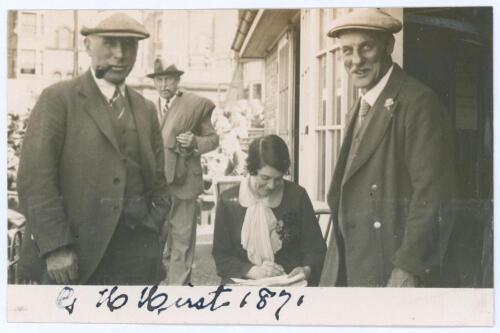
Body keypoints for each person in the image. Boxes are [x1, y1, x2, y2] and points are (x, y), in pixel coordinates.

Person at [16, 12, 170, 285]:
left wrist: (153, 229)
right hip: (75, 257)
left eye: (129, 45)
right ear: (87, 45)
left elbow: (158, 181)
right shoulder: (58, 99)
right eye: (110, 43)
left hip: (136, 256)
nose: (120, 55)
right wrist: (56, 247)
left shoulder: (145, 109)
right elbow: (35, 180)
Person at [319, 8, 457, 287]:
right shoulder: (359, 107)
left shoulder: (418, 103)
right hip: (353, 263)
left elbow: (433, 193)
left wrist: (408, 266)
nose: (355, 60)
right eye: (347, 51)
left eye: (366, 47)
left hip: (390, 268)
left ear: (388, 46)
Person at [212, 135, 326, 286]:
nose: (272, 186)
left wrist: (306, 269)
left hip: (290, 285)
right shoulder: (228, 201)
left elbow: (316, 249)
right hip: (243, 283)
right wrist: (253, 271)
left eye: (278, 179)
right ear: (251, 170)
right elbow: (221, 256)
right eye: (265, 178)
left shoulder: (297, 196)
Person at [147, 59, 219, 285]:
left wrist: (195, 141)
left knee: (182, 238)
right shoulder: (146, 108)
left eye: (169, 79)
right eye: (159, 79)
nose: (164, 84)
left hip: (184, 182)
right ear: (154, 82)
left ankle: (178, 291)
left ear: (178, 81)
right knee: (153, 237)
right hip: (154, 185)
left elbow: (213, 139)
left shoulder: (194, 106)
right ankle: (153, 288)